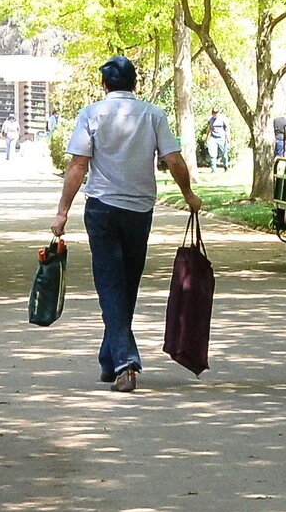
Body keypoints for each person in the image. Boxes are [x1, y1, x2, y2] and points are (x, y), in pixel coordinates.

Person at [53, 56, 204, 392]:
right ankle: (110, 360)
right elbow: (173, 158)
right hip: (139, 212)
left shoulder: (92, 114)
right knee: (126, 285)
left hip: (102, 211)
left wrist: (62, 211)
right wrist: (189, 194)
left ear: (104, 85)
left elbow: (78, 165)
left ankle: (124, 362)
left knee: (110, 285)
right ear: (135, 84)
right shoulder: (153, 115)